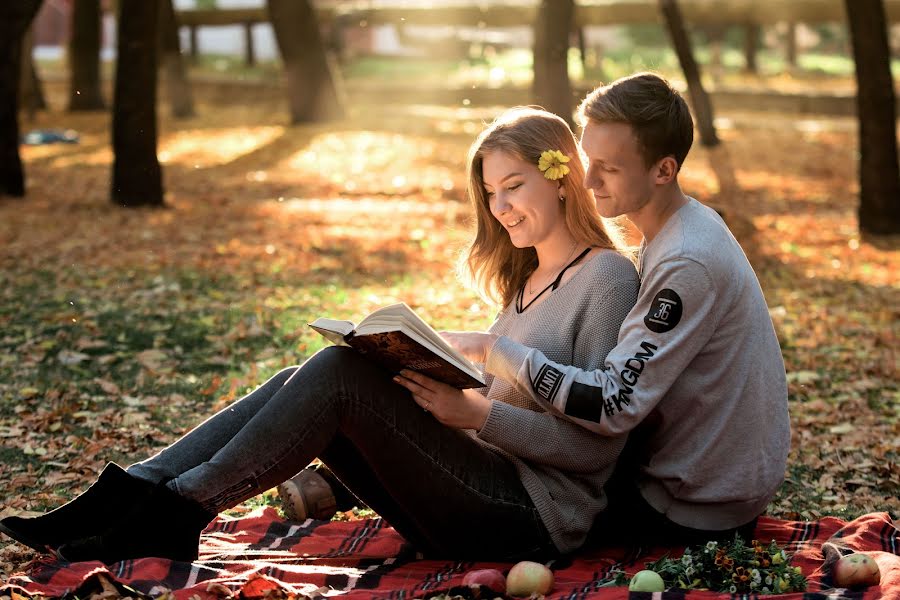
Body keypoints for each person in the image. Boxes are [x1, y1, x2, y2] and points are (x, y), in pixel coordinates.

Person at [0, 108, 640, 564]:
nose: (500, 209)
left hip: (533, 520)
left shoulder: (605, 279)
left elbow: (597, 451)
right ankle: (138, 490)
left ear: (559, 177)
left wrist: (479, 415)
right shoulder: (527, 281)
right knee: (314, 375)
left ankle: (176, 511)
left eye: (514, 187)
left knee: (338, 378)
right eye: (491, 193)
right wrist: (440, 392)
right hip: (476, 489)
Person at [443, 72, 791, 547]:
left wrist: (495, 350)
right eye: (588, 160)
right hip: (690, 478)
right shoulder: (677, 231)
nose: (586, 180)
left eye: (608, 167)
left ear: (663, 171)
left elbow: (611, 405)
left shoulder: (687, 259)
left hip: (690, 506)